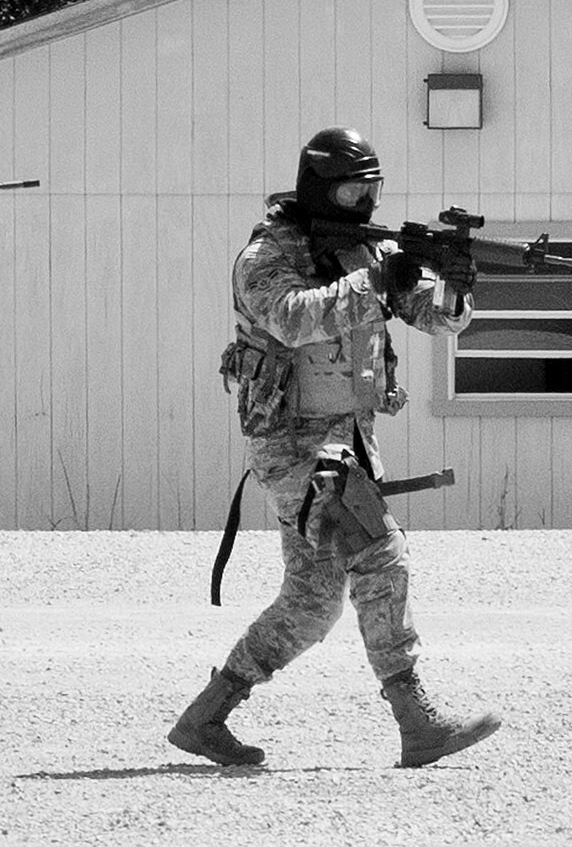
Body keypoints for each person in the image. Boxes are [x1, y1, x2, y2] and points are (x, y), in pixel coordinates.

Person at [169, 126, 501, 769]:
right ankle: (417, 722)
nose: (364, 203)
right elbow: (292, 317)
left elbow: (437, 317)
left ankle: (206, 718)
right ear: (320, 187)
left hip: (347, 440)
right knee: (381, 554)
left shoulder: (360, 254)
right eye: (351, 189)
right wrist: (379, 277)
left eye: (372, 189)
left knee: (313, 600)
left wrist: (455, 281)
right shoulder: (267, 255)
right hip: (291, 444)